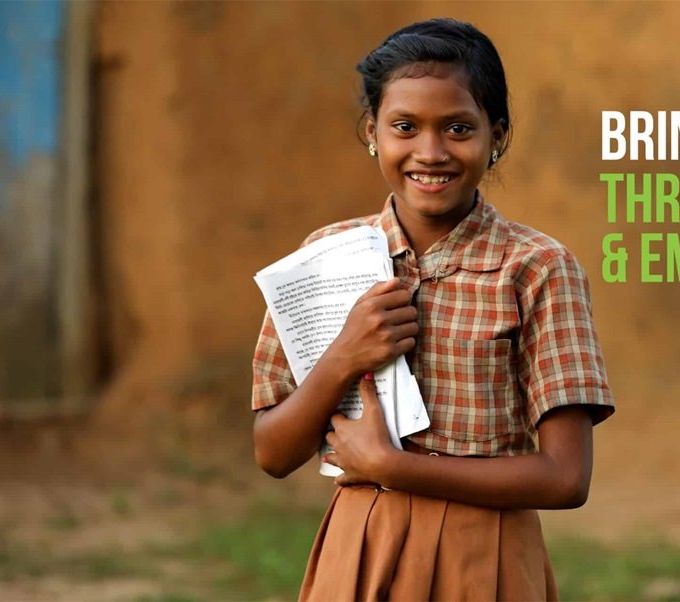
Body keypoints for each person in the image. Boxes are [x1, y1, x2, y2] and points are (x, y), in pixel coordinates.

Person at [250, 18, 614, 601]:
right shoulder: (324, 258)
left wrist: (395, 469)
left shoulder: (538, 268)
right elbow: (272, 451)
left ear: (496, 135)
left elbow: (566, 477)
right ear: (373, 132)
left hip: (486, 555)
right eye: (404, 127)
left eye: (457, 128)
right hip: (360, 548)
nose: (431, 152)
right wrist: (344, 355)